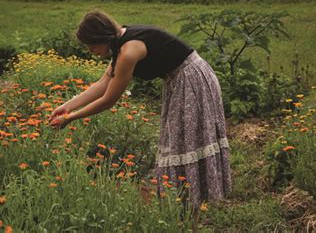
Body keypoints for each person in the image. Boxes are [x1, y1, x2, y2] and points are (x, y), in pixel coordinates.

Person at [49, 11, 231, 210]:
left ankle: (188, 207)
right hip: (181, 81)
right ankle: (186, 209)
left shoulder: (129, 51)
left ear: (102, 37)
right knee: (179, 143)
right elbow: (103, 84)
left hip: (192, 81)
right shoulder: (122, 42)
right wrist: (66, 106)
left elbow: (108, 99)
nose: (90, 51)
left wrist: (72, 117)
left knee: (185, 144)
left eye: (91, 45)